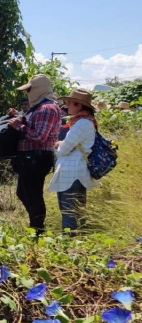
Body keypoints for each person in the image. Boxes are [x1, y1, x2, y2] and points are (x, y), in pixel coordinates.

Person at [8, 74, 61, 236]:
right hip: (30, 158)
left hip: (37, 158)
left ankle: (38, 229)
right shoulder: (39, 107)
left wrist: (19, 127)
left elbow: (39, 136)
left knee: (33, 194)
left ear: (38, 89)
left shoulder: (47, 109)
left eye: (29, 89)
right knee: (23, 193)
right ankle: (36, 225)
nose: (27, 93)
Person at [48, 89, 100, 234]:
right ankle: (78, 242)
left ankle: (68, 245)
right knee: (77, 210)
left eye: (70, 102)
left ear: (78, 105)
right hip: (78, 172)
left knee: (68, 211)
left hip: (71, 173)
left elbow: (64, 149)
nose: (67, 105)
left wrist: (59, 144)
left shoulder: (81, 123)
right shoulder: (85, 121)